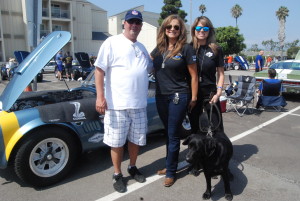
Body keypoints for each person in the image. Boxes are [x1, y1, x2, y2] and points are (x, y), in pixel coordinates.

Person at [94, 10, 153, 193]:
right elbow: (99, 70)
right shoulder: (111, 42)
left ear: (141, 26)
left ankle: (132, 167)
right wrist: (100, 97)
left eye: (137, 22)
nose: (134, 25)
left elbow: (151, 68)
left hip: (139, 105)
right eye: (131, 22)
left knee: (136, 141)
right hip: (116, 105)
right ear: (124, 24)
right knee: (117, 143)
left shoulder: (143, 48)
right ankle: (118, 174)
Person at [151, 14, 198, 187]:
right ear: (164, 28)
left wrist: (193, 97)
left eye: (176, 27)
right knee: (169, 133)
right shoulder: (158, 49)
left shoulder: (186, 49)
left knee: (173, 134)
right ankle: (170, 164)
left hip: (178, 95)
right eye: (169, 27)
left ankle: (171, 172)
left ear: (180, 30)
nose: (172, 29)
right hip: (161, 96)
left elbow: (194, 76)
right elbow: (145, 63)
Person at [189, 16, 225, 134]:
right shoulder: (189, 48)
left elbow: (221, 74)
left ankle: (219, 151)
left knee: (216, 127)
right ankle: (198, 151)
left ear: (209, 30)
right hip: (193, 95)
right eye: (199, 27)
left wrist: (218, 93)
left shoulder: (216, 49)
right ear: (194, 29)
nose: (202, 30)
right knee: (195, 128)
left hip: (210, 95)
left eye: (205, 28)